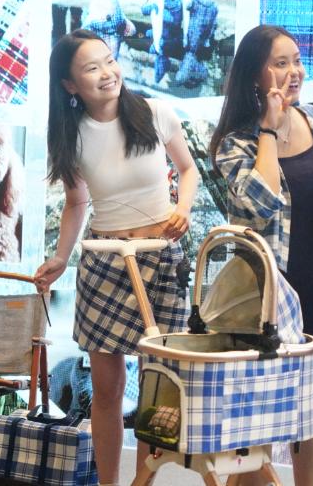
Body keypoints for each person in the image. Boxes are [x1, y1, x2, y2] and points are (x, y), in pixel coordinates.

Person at [35, 29, 198, 486]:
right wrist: (61, 258)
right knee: (106, 391)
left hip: (161, 259)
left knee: (156, 388)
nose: (108, 73)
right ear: (70, 85)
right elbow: (76, 203)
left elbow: (188, 170)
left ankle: (143, 483)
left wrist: (183, 209)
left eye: (109, 60)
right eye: (92, 68)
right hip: (105, 261)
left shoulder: (155, 112)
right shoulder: (69, 134)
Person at [209, 25, 313, 486]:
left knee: (312, 398)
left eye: (296, 60)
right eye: (281, 63)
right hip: (265, 292)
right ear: (254, 75)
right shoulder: (235, 142)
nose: (294, 71)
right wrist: (268, 132)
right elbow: (261, 202)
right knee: (259, 407)